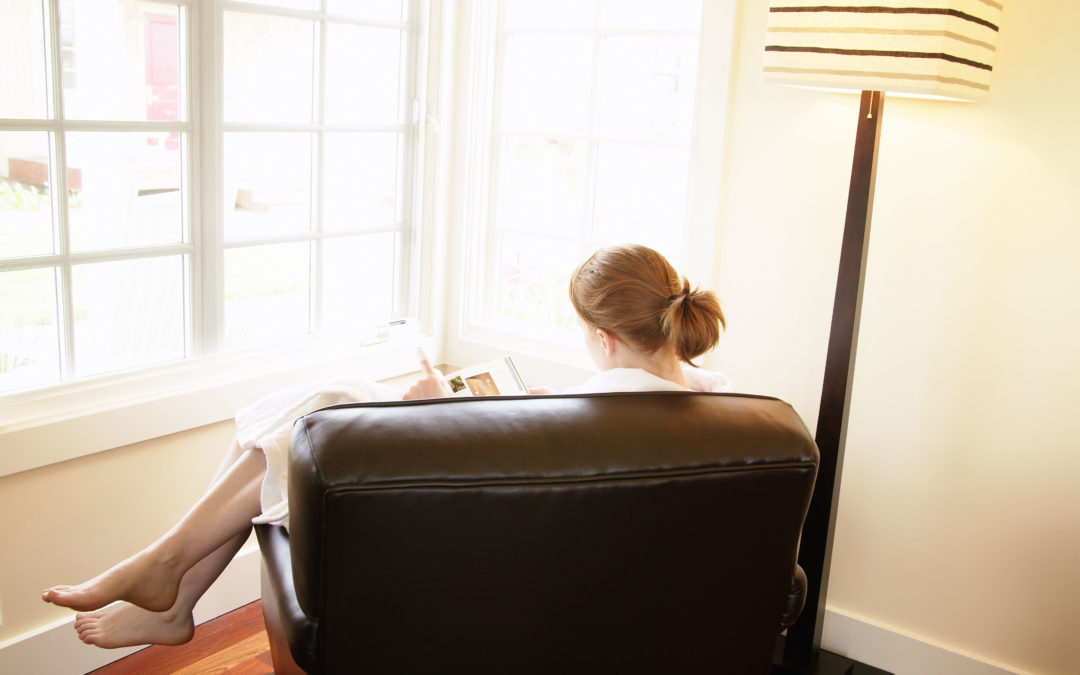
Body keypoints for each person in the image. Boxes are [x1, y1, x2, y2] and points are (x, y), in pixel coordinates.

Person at [42, 243, 732, 649]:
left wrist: (435, 416)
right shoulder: (731, 408)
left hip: (494, 577)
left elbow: (511, 505)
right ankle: (174, 587)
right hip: (598, 581)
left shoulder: (584, 418)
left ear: (605, 339)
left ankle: (170, 576)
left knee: (328, 406)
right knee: (331, 401)